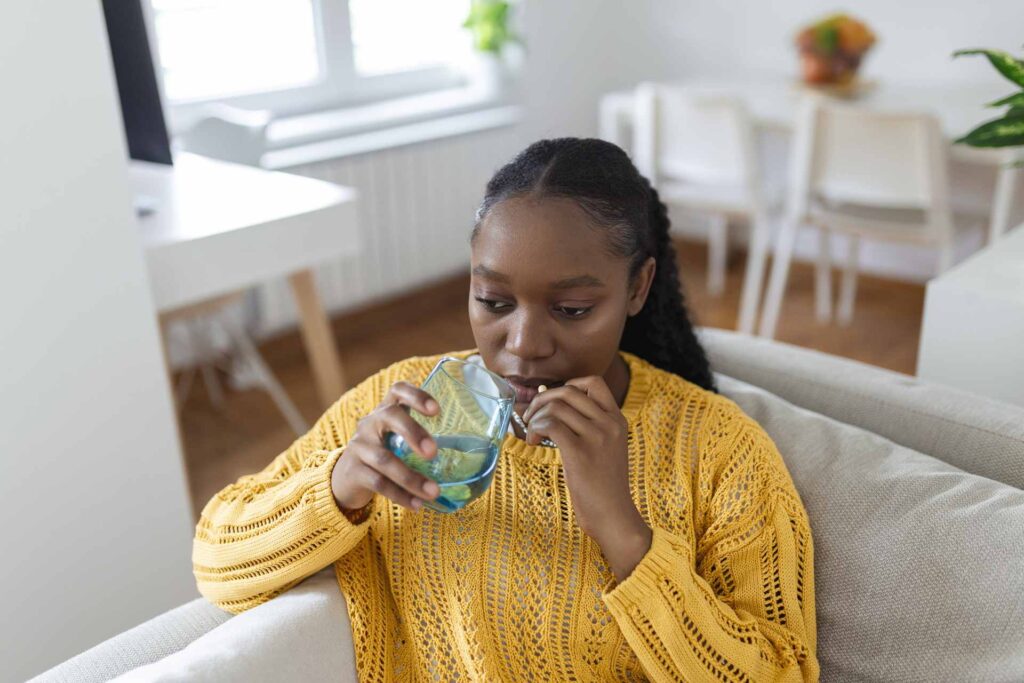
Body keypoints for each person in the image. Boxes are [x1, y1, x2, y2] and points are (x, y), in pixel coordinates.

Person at [193, 137, 818, 681]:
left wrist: (625, 533)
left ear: (638, 287)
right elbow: (215, 562)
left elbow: (782, 670)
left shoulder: (716, 448)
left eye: (571, 310)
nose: (522, 345)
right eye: (492, 301)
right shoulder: (410, 404)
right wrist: (339, 486)